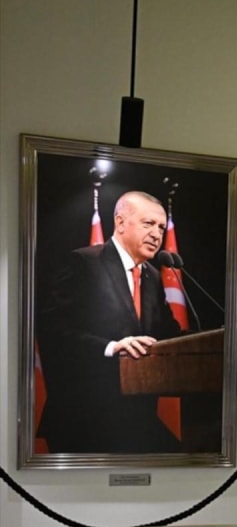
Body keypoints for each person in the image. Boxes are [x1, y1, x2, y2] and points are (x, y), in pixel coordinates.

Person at [37, 191, 185, 453]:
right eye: (148, 224)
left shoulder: (152, 276)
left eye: (161, 227)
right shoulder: (84, 263)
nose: (156, 234)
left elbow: (169, 335)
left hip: (135, 418)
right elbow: (53, 331)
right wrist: (111, 347)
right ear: (120, 222)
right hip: (82, 418)